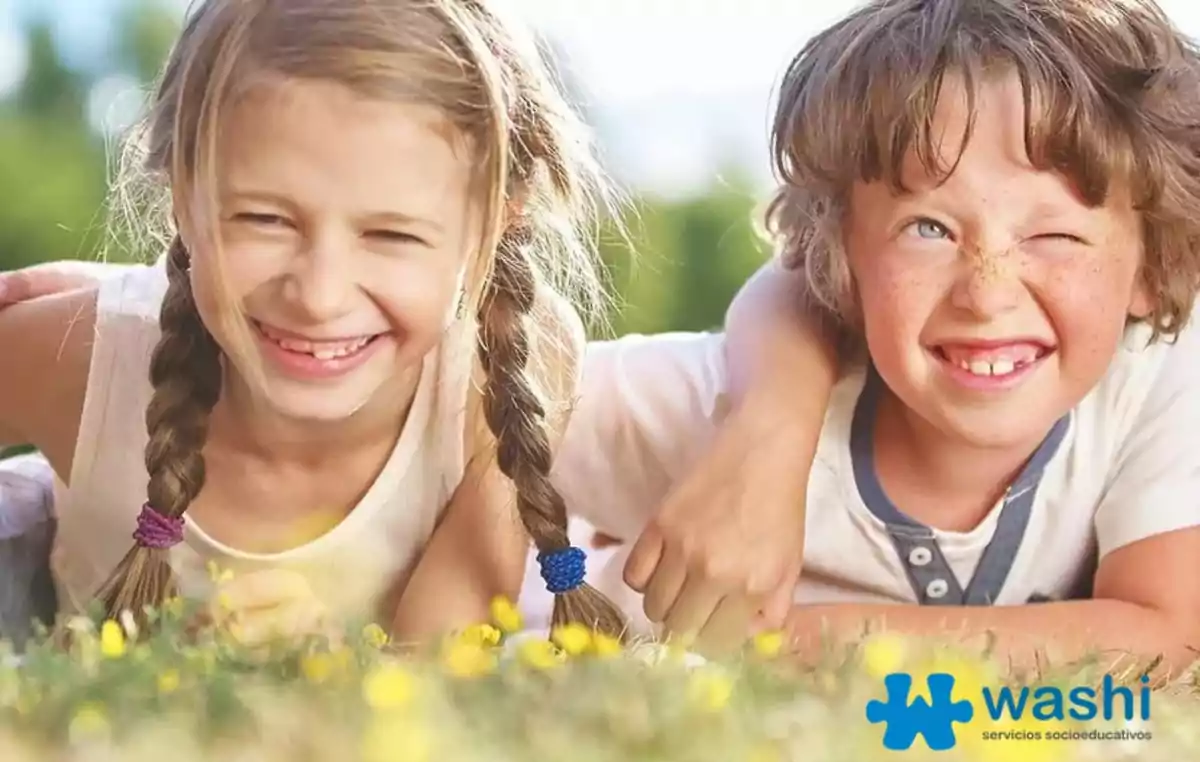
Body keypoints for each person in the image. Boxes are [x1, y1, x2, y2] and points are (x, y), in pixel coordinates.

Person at [0, 0, 827, 650]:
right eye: (263, 220)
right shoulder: (76, 358)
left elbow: (443, 654)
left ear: (493, 224)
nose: (320, 294)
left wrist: (317, 665)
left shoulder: (495, 383)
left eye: (391, 235)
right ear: (182, 193)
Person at [552, 0, 1200, 677]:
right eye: (929, 229)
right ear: (842, 261)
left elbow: (1167, 632)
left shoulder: (1160, 372)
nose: (987, 294)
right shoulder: (708, 403)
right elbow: (485, 398)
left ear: (1153, 266)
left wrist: (799, 641)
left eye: (1055, 235)